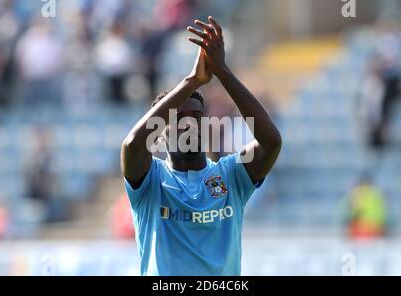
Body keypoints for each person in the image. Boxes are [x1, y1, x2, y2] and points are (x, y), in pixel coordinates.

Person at [120, 17, 282, 275]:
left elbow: (271, 143)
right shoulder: (152, 180)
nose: (189, 125)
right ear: (160, 133)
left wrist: (222, 72)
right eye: (178, 118)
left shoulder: (231, 175)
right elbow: (132, 146)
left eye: (196, 117)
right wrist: (192, 81)